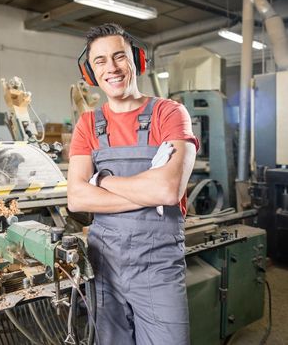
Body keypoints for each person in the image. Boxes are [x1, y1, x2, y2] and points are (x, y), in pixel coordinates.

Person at [67, 23, 198, 344]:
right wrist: (147, 192)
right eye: (100, 61)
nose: (111, 68)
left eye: (119, 57)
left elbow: (168, 190)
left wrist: (102, 180)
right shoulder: (87, 124)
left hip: (158, 271)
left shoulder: (169, 114)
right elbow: (77, 198)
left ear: (136, 61)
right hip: (104, 269)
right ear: (90, 72)